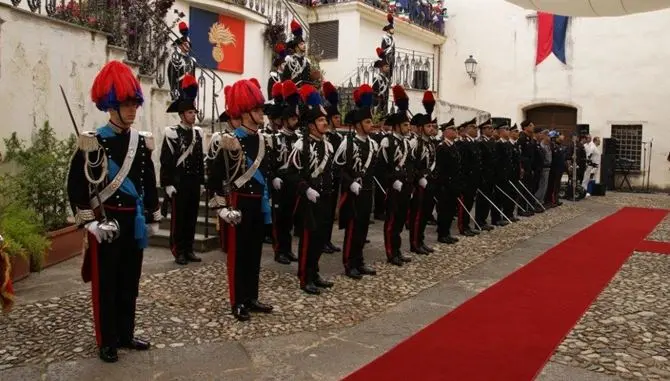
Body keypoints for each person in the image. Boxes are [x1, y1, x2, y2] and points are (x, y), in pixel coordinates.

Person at [66, 61, 160, 363]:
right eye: (126, 104)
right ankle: (106, 339)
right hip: (107, 222)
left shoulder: (140, 142)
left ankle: (125, 333)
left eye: (135, 103)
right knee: (106, 283)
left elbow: (148, 180)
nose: (133, 110)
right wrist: (90, 224)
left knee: (129, 281)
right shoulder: (93, 142)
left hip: (133, 222)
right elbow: (77, 187)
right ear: (111, 106)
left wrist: (152, 214)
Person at [206, 79, 274, 322]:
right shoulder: (230, 140)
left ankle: (252, 297)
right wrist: (221, 208)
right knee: (238, 256)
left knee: (255, 253)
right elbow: (214, 179)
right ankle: (237, 301)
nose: (261, 114)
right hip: (238, 203)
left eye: (260, 110)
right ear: (245, 113)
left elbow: (265, 175)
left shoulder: (263, 140)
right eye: (257, 110)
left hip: (257, 203)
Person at [284, 85, 336, 294]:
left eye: (325, 120)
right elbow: (291, 174)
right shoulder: (300, 146)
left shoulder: (328, 146)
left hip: (324, 199)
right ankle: (305, 277)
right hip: (309, 200)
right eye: (321, 120)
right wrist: (306, 189)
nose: (325, 123)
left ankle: (314, 272)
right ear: (312, 125)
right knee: (308, 240)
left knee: (321, 238)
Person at [333, 84, 379, 279]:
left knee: (363, 228)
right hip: (352, 192)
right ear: (359, 124)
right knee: (352, 229)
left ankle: (359, 261)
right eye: (367, 122)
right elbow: (338, 167)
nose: (371, 125)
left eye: (371, 121)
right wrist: (350, 182)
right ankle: (349, 263)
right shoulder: (348, 143)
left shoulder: (373, 144)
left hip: (367, 190)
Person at [160, 74, 205, 265]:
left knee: (192, 217)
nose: (193, 115)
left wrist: (202, 182)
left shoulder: (198, 133)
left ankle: (189, 248)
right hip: (179, 182)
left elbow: (200, 159)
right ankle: (178, 250)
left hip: (194, 181)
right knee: (179, 219)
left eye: (194, 113)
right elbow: (166, 160)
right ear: (181, 115)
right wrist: (167, 184)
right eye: (189, 113)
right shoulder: (172, 133)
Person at [379, 88, 414, 266]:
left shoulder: (405, 142)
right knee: (392, 221)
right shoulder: (388, 141)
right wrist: (393, 181)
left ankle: (398, 249)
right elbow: (383, 167)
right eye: (405, 125)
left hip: (405, 186)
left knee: (400, 220)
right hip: (393, 188)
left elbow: (408, 164)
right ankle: (391, 252)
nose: (408, 128)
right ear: (397, 126)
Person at [270, 80, 301, 264]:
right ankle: (278, 250)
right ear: (284, 120)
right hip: (279, 183)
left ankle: (288, 249)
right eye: (292, 119)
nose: (295, 122)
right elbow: (270, 163)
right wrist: (273, 178)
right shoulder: (275, 139)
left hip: (293, 183)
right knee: (279, 220)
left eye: (296, 119)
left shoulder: (297, 139)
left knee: (289, 219)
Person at [322, 81, 343, 254]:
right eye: (335, 118)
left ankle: (327, 239)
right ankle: (322, 241)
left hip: (335, 177)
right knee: (325, 211)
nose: (339, 120)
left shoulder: (338, 137)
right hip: (324, 177)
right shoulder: (325, 137)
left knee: (330, 213)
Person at [436, 120, 461, 244]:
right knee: (444, 210)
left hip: (454, 184)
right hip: (445, 185)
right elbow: (440, 168)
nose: (455, 131)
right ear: (446, 132)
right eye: (453, 129)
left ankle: (447, 232)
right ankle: (442, 233)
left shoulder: (454, 146)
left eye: (455, 129)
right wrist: (443, 184)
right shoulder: (442, 147)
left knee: (451, 209)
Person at [475, 118, 497, 231]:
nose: (491, 130)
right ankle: (479, 221)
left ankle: (483, 220)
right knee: (482, 199)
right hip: (484, 175)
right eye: (489, 128)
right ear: (483, 130)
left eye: (491, 128)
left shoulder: (492, 141)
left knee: (488, 198)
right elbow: (480, 160)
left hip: (491, 175)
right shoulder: (480, 142)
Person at [167, 22, 196, 101]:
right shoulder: (176, 58)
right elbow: (171, 75)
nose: (187, 46)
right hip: (180, 87)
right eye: (185, 44)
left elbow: (193, 76)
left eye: (188, 44)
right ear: (180, 46)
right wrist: (173, 89)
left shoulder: (192, 60)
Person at [282, 20, 312, 86]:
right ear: (296, 47)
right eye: (301, 44)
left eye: (304, 43)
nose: (304, 45)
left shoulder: (306, 62)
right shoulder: (290, 61)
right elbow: (285, 81)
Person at [0, 233, 14, 313]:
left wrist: (6, 278)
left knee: (8, 297)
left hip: (3, 276)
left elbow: (8, 266)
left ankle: (6, 309)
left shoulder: (4, 254)